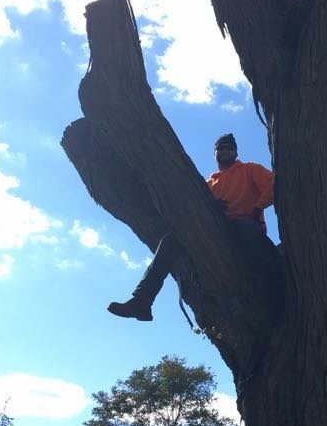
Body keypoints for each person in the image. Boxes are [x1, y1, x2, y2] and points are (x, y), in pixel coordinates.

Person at [107, 133, 274, 321]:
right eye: (221, 148)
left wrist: (257, 207)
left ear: (236, 152)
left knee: (250, 234)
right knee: (170, 242)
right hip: (216, 231)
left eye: (229, 148)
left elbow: (273, 185)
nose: (225, 151)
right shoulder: (209, 184)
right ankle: (141, 301)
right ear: (214, 153)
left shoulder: (250, 169)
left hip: (243, 224)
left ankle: (272, 284)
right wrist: (211, 208)